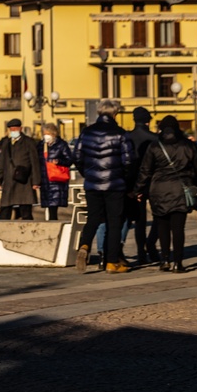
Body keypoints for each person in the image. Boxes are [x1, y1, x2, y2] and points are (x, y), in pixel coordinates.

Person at [134, 115, 197, 272]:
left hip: (158, 191)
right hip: (181, 190)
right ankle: (178, 262)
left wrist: (138, 189)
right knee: (178, 228)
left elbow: (145, 170)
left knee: (163, 226)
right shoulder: (187, 145)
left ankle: (165, 259)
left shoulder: (154, 146)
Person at [72, 99, 134, 274]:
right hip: (114, 185)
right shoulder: (120, 133)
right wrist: (124, 179)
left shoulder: (86, 132)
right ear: (115, 114)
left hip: (92, 184)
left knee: (93, 218)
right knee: (114, 223)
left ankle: (85, 244)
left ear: (99, 113)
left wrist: (88, 173)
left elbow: (76, 156)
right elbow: (128, 160)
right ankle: (111, 262)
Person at [126, 106, 160, 263]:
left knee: (139, 220)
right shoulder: (154, 138)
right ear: (148, 120)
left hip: (133, 183)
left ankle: (141, 253)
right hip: (153, 181)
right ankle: (151, 244)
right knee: (159, 216)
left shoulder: (127, 137)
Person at [0, 119, 40, 220]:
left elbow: (35, 163)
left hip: (24, 181)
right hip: (9, 181)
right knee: (4, 210)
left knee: (26, 211)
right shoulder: (6, 143)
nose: (13, 131)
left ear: (20, 129)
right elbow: (1, 163)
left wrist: (36, 181)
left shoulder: (28, 142)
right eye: (11, 129)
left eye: (15, 129)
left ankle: (28, 231)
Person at [38, 123, 73, 220]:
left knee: (53, 205)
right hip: (45, 179)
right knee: (49, 205)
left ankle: (53, 222)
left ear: (54, 134)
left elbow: (69, 160)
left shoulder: (61, 145)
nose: (46, 136)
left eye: (48, 133)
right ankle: (52, 222)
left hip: (56, 179)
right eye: (44, 133)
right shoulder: (41, 145)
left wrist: (59, 161)